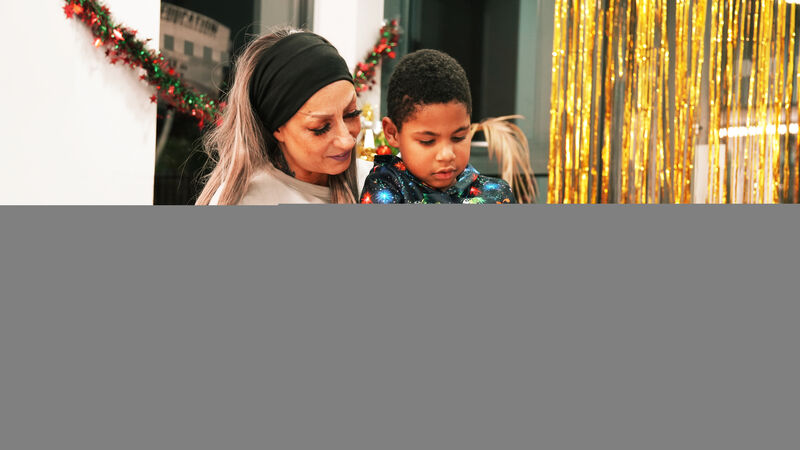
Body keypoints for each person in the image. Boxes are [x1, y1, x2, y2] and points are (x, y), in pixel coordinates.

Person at [196, 27, 371, 205]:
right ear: (277, 128)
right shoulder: (248, 202)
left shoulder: (379, 183)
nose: (347, 141)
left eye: (351, 114)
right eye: (321, 128)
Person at [359, 49, 537, 204]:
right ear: (392, 133)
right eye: (427, 141)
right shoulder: (383, 190)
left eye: (459, 137)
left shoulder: (496, 193)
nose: (446, 155)